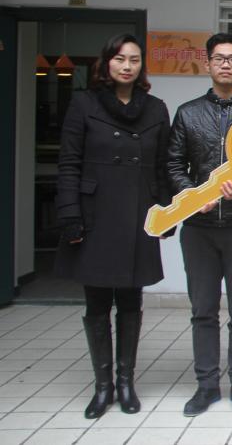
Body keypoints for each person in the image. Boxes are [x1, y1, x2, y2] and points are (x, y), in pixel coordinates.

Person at [55, 34, 170, 419]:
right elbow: (69, 164)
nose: (127, 66)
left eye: (134, 60)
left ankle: (125, 382)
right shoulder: (83, 104)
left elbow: (161, 168)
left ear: (141, 66)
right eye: (120, 59)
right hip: (95, 214)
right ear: (106, 63)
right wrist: (70, 214)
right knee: (98, 302)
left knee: (131, 301)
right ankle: (102, 386)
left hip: (138, 212)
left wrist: (166, 214)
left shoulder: (155, 108)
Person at [167, 33, 232, 417]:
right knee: (203, 310)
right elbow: (173, 164)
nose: (225, 64)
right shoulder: (188, 113)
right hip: (199, 229)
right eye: (218, 58)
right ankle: (207, 385)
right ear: (208, 64)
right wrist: (194, 194)